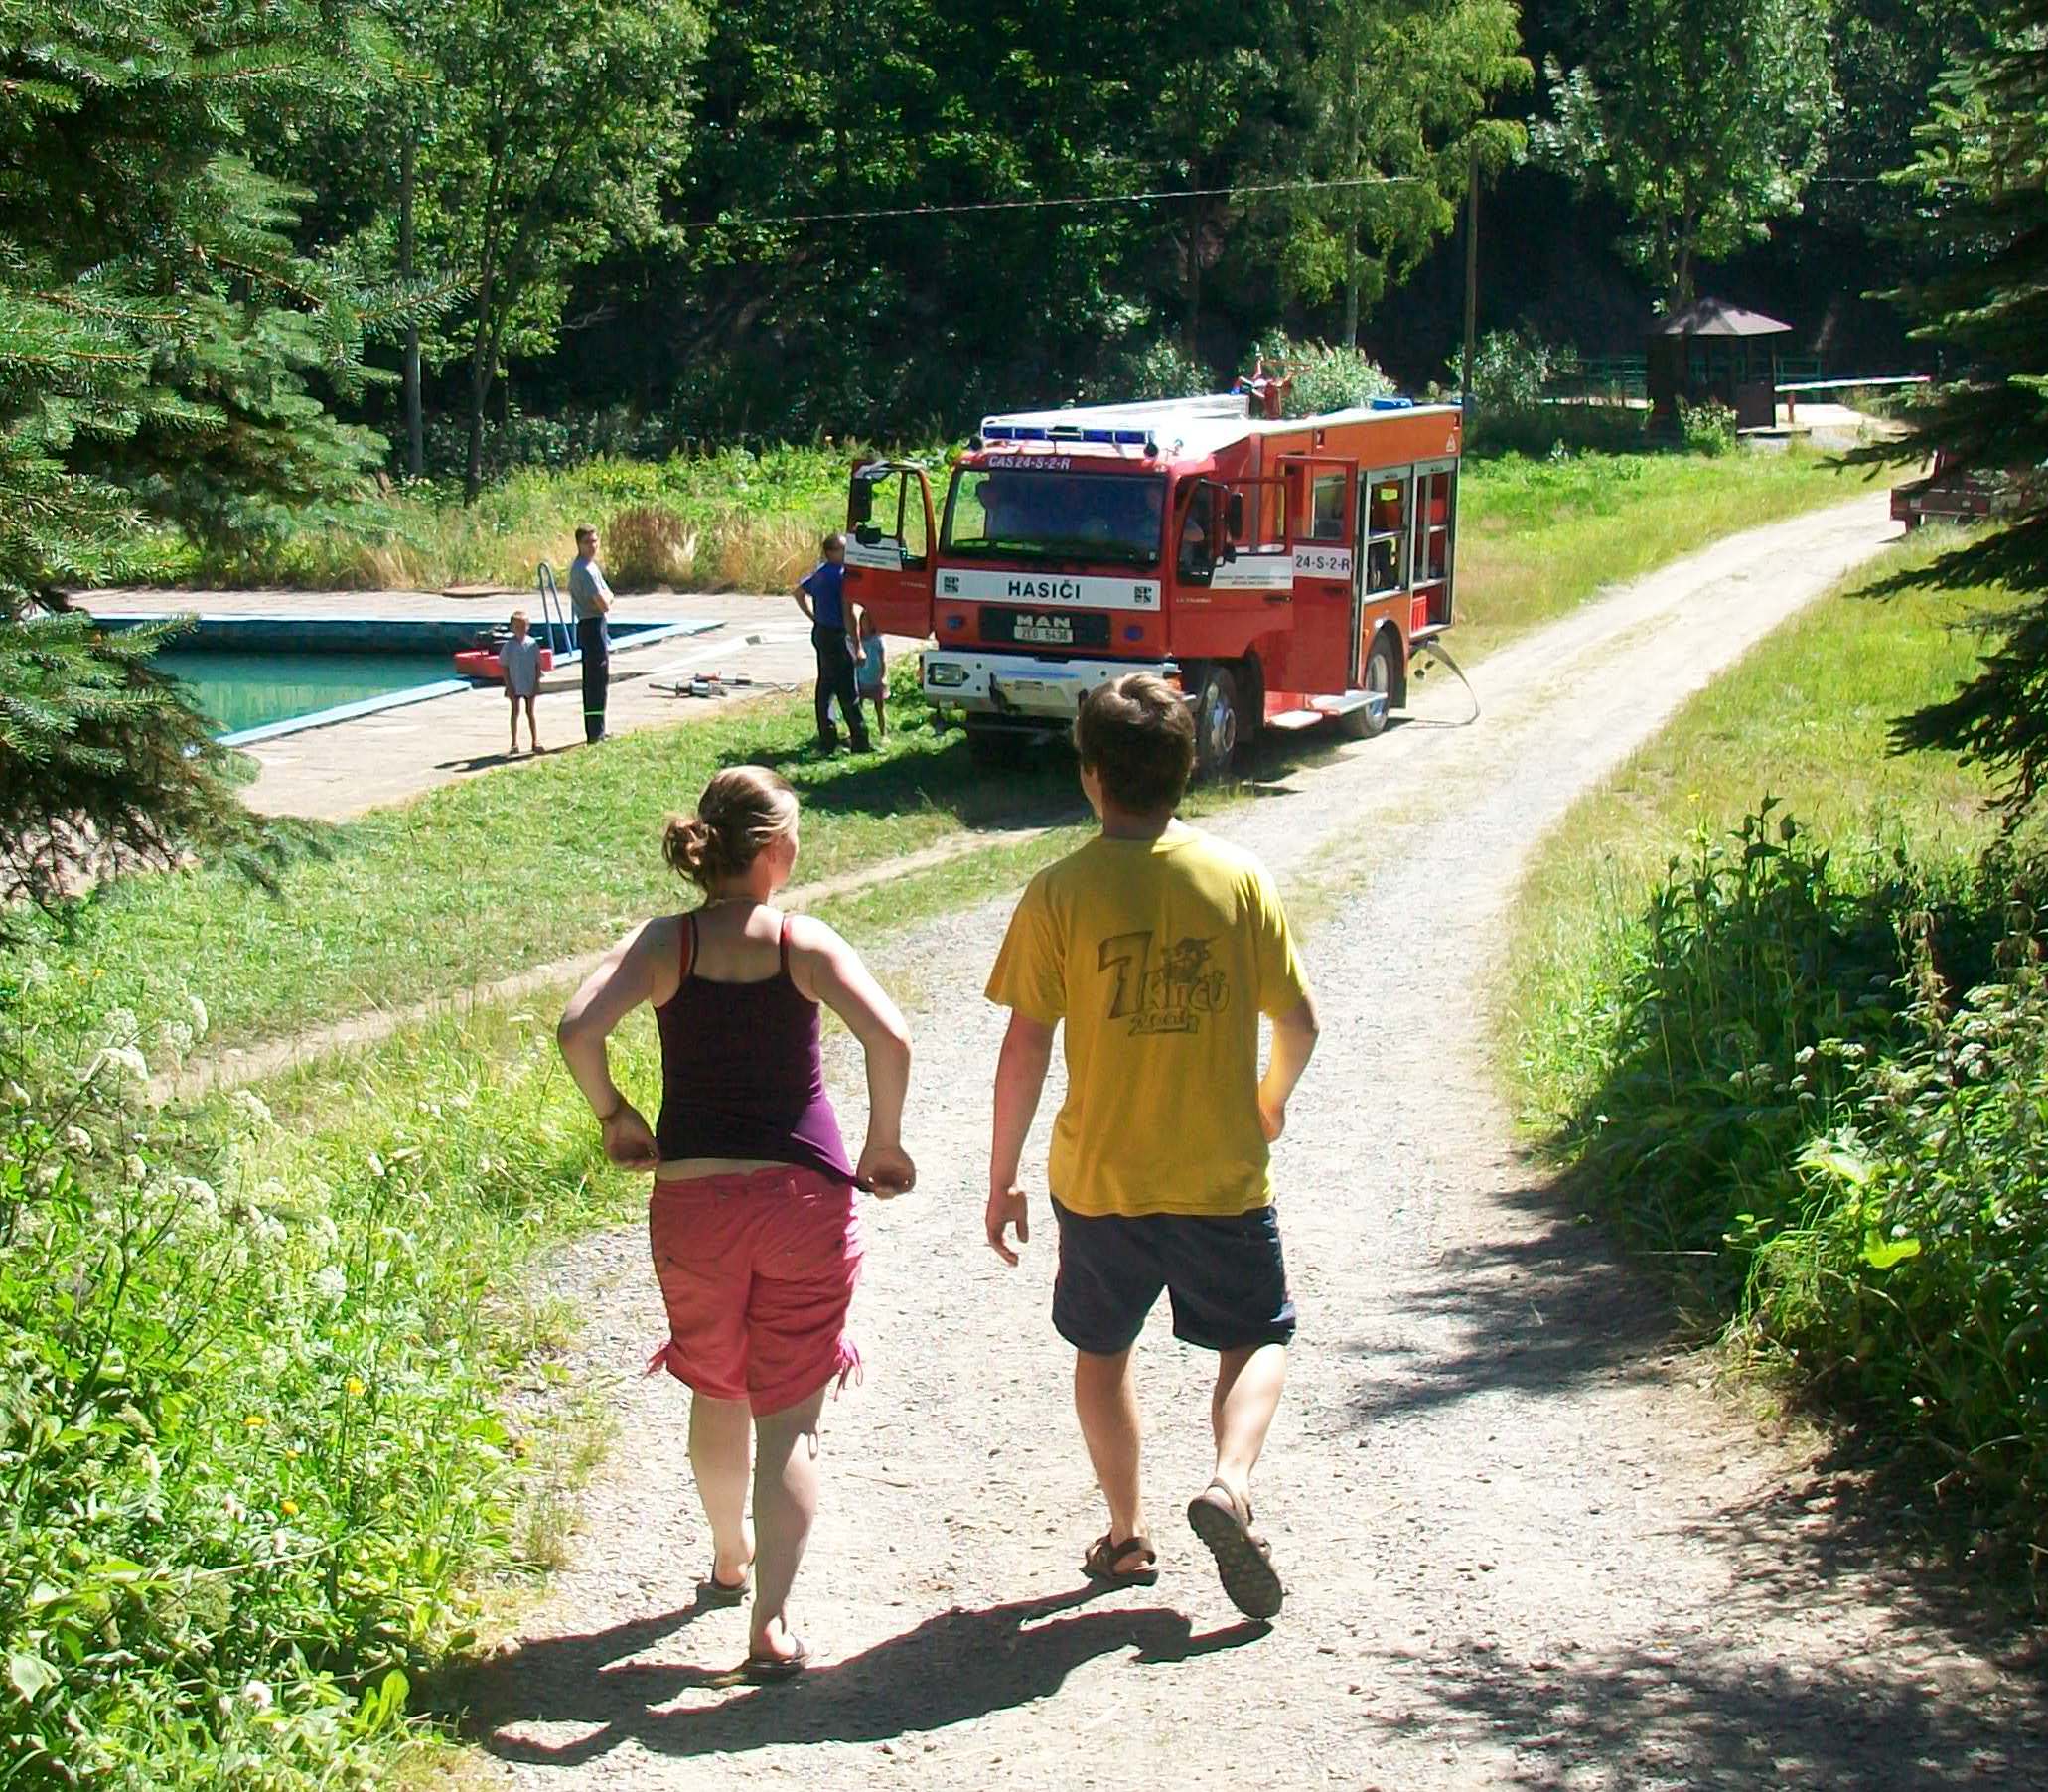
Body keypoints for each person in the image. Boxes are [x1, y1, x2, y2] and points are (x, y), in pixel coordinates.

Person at [556, 766, 915, 1680]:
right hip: (802, 1202)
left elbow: (576, 1030)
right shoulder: (804, 942)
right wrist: (882, 1143)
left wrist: (615, 1115)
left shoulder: (664, 945)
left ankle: (728, 1558)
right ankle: (771, 1624)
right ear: (776, 850)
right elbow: (890, 1037)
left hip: (695, 1202)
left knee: (717, 1388)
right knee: (789, 1419)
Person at [982, 673, 1320, 1620]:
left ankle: (1126, 1535)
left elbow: (1024, 1047)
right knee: (1256, 1335)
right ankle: (1230, 1483)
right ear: (1189, 767)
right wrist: (1269, 1102)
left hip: (1101, 1179)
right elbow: (1300, 1023)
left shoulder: (1058, 893)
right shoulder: (1237, 881)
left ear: (1090, 775)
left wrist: (1003, 1178)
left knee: (1102, 1351)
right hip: (1221, 1175)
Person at [794, 532, 871, 754]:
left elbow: (798, 593)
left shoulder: (820, 573)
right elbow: (849, 613)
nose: (847, 554)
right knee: (847, 689)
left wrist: (814, 617)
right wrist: (858, 646)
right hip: (837, 635)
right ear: (831, 552)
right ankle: (860, 740)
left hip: (822, 633)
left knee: (826, 685)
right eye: (843, 550)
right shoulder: (842, 576)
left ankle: (828, 738)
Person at [569, 523, 613, 745]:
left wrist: (608, 597)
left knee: (599, 679)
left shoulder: (591, 566)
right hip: (591, 624)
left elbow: (608, 594)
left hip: (596, 623)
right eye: (587, 542)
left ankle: (598, 729)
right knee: (595, 680)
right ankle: (595, 733)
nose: (592, 546)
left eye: (595, 541)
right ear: (579, 544)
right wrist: (608, 598)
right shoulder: (584, 570)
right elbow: (604, 603)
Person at [501, 609, 543, 755]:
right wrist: (508, 685)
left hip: (529, 682)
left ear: (528, 626)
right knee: (515, 711)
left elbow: (538, 664)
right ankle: (514, 742)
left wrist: (537, 682)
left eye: (524, 626)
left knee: (530, 712)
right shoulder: (509, 646)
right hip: (515, 683)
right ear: (512, 628)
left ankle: (535, 740)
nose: (521, 629)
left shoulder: (532, 643)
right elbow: (504, 666)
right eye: (518, 627)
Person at [851, 603, 888, 743]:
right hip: (860, 679)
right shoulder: (857, 641)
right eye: (864, 621)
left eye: (870, 622)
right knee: (857, 706)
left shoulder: (878, 640)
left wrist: (883, 677)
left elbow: (883, 660)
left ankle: (883, 733)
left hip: (875, 679)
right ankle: (856, 732)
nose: (867, 625)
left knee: (879, 708)